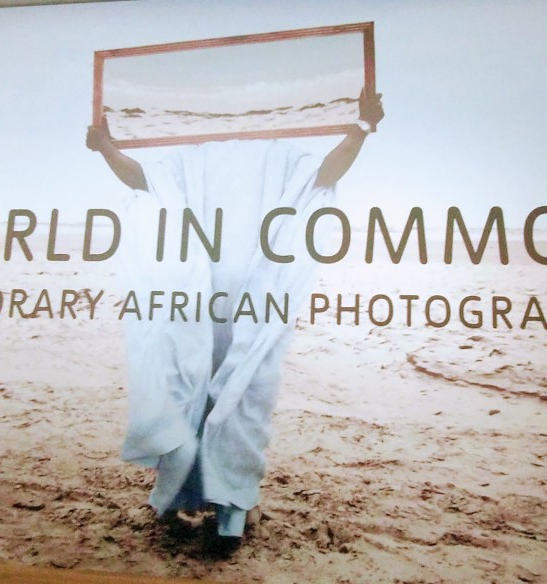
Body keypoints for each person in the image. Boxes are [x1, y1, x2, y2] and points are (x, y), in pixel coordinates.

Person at [86, 90, 384, 544]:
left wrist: (361, 129)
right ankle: (178, 496)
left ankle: (234, 508)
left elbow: (323, 176)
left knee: (245, 399)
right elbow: (144, 181)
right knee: (189, 394)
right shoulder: (194, 157)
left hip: (257, 301)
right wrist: (107, 148)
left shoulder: (281, 155)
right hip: (197, 299)